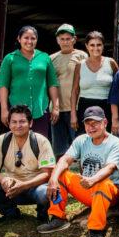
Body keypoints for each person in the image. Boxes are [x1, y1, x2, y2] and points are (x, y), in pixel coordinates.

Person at [36, 106, 119, 237]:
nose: (91, 127)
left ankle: (96, 230)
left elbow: (110, 168)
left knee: (102, 183)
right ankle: (58, 218)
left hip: (110, 192)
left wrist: (93, 180)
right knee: (62, 174)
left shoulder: (115, 143)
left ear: (105, 122)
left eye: (95, 123)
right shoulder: (81, 140)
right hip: (87, 188)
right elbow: (65, 159)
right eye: (87, 123)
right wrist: (53, 178)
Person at [0, 104, 56, 223]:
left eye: (22, 121)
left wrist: (25, 185)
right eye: (14, 122)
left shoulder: (41, 141)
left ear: (30, 123)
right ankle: (10, 213)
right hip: (11, 189)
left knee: (44, 193)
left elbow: (47, 173)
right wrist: (3, 180)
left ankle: (43, 214)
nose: (18, 126)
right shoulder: (2, 140)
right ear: (9, 123)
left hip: (34, 188)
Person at [0, 25, 60, 138]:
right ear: (19, 39)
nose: (29, 41)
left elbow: (52, 83)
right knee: (17, 145)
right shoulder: (10, 59)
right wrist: (4, 109)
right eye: (26, 38)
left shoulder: (44, 57)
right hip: (17, 112)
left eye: (33, 38)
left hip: (40, 110)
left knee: (40, 143)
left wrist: (55, 107)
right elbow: (3, 86)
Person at [48, 24, 88, 157]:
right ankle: (60, 177)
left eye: (68, 38)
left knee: (81, 146)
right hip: (57, 109)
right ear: (57, 40)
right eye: (62, 39)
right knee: (58, 149)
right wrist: (54, 106)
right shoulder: (51, 58)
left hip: (75, 108)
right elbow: (49, 84)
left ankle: (85, 176)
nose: (65, 42)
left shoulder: (82, 56)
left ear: (74, 39)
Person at [70, 31, 119, 135]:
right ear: (86, 46)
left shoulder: (111, 63)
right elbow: (74, 91)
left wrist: (116, 117)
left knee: (104, 140)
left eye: (99, 45)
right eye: (92, 45)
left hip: (106, 108)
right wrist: (73, 114)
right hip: (85, 108)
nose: (95, 48)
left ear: (103, 46)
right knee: (85, 140)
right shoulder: (80, 65)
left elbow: (118, 90)